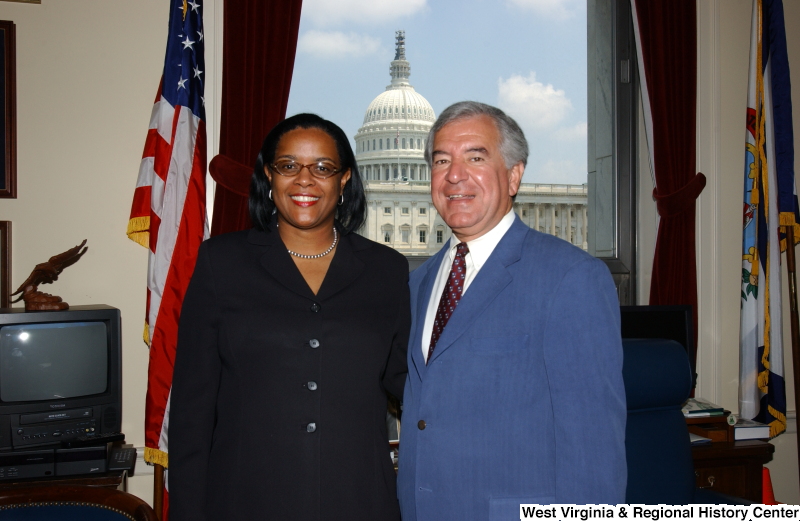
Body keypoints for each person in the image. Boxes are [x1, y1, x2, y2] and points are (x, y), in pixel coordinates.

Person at [169, 113, 410, 520]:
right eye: (288, 165)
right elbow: (193, 411)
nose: (304, 179)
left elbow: (407, 380)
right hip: (245, 500)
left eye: (322, 168)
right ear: (268, 175)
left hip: (358, 499)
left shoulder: (386, 270)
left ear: (345, 178)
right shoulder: (221, 262)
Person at [397, 101, 627, 520]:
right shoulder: (418, 283)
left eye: (475, 157)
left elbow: (594, 447)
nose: (454, 175)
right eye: (442, 160)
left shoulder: (572, 278)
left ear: (515, 175)